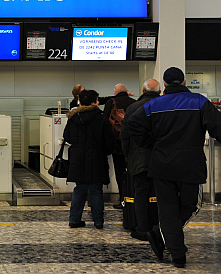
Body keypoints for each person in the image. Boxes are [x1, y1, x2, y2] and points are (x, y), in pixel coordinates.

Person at [128, 67, 221, 268]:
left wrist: (150, 143)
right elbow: (218, 127)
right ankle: (163, 239)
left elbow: (131, 124)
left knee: (167, 209)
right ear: (184, 81)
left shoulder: (153, 104)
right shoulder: (199, 102)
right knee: (190, 206)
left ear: (165, 83)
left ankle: (174, 250)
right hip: (191, 164)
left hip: (162, 164)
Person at [64, 89, 115, 229]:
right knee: (96, 189)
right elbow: (110, 141)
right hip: (97, 156)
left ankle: (74, 219)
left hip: (77, 157)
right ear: (94, 102)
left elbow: (67, 137)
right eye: (97, 100)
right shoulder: (102, 118)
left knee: (79, 188)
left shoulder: (73, 118)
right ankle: (98, 221)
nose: (99, 102)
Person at [120, 78, 161, 241]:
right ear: (159, 92)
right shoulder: (164, 106)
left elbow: (125, 135)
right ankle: (159, 227)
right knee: (163, 193)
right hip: (162, 158)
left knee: (140, 193)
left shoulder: (132, 108)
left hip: (138, 159)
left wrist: (128, 156)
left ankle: (142, 228)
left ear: (143, 91)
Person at [103, 83, 136, 209]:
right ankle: (133, 197)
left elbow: (105, 121)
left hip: (117, 143)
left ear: (115, 92)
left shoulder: (111, 102)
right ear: (126, 91)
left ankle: (122, 199)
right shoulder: (134, 102)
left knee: (120, 172)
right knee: (132, 171)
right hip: (132, 143)